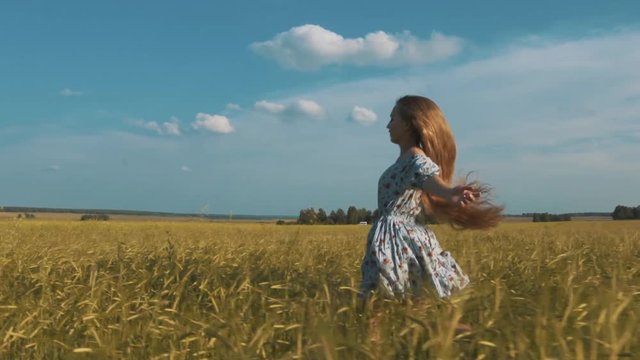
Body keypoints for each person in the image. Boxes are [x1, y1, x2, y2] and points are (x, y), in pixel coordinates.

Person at [359, 95, 503, 306]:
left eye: (392, 119)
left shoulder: (416, 159)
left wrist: (449, 193)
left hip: (398, 241)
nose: (388, 125)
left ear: (408, 124)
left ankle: (462, 334)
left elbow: (429, 180)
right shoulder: (404, 160)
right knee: (404, 306)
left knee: (384, 304)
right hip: (393, 238)